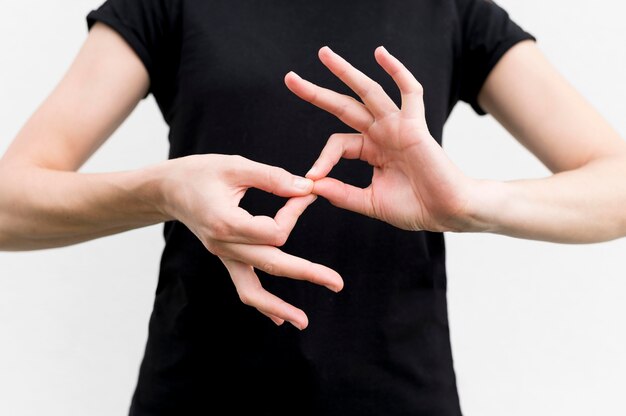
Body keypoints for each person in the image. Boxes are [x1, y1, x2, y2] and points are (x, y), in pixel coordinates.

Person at [0, 0, 625, 415]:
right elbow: (10, 203)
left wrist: (470, 203)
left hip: (402, 399)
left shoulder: (451, 8)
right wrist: (162, 189)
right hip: (196, 396)